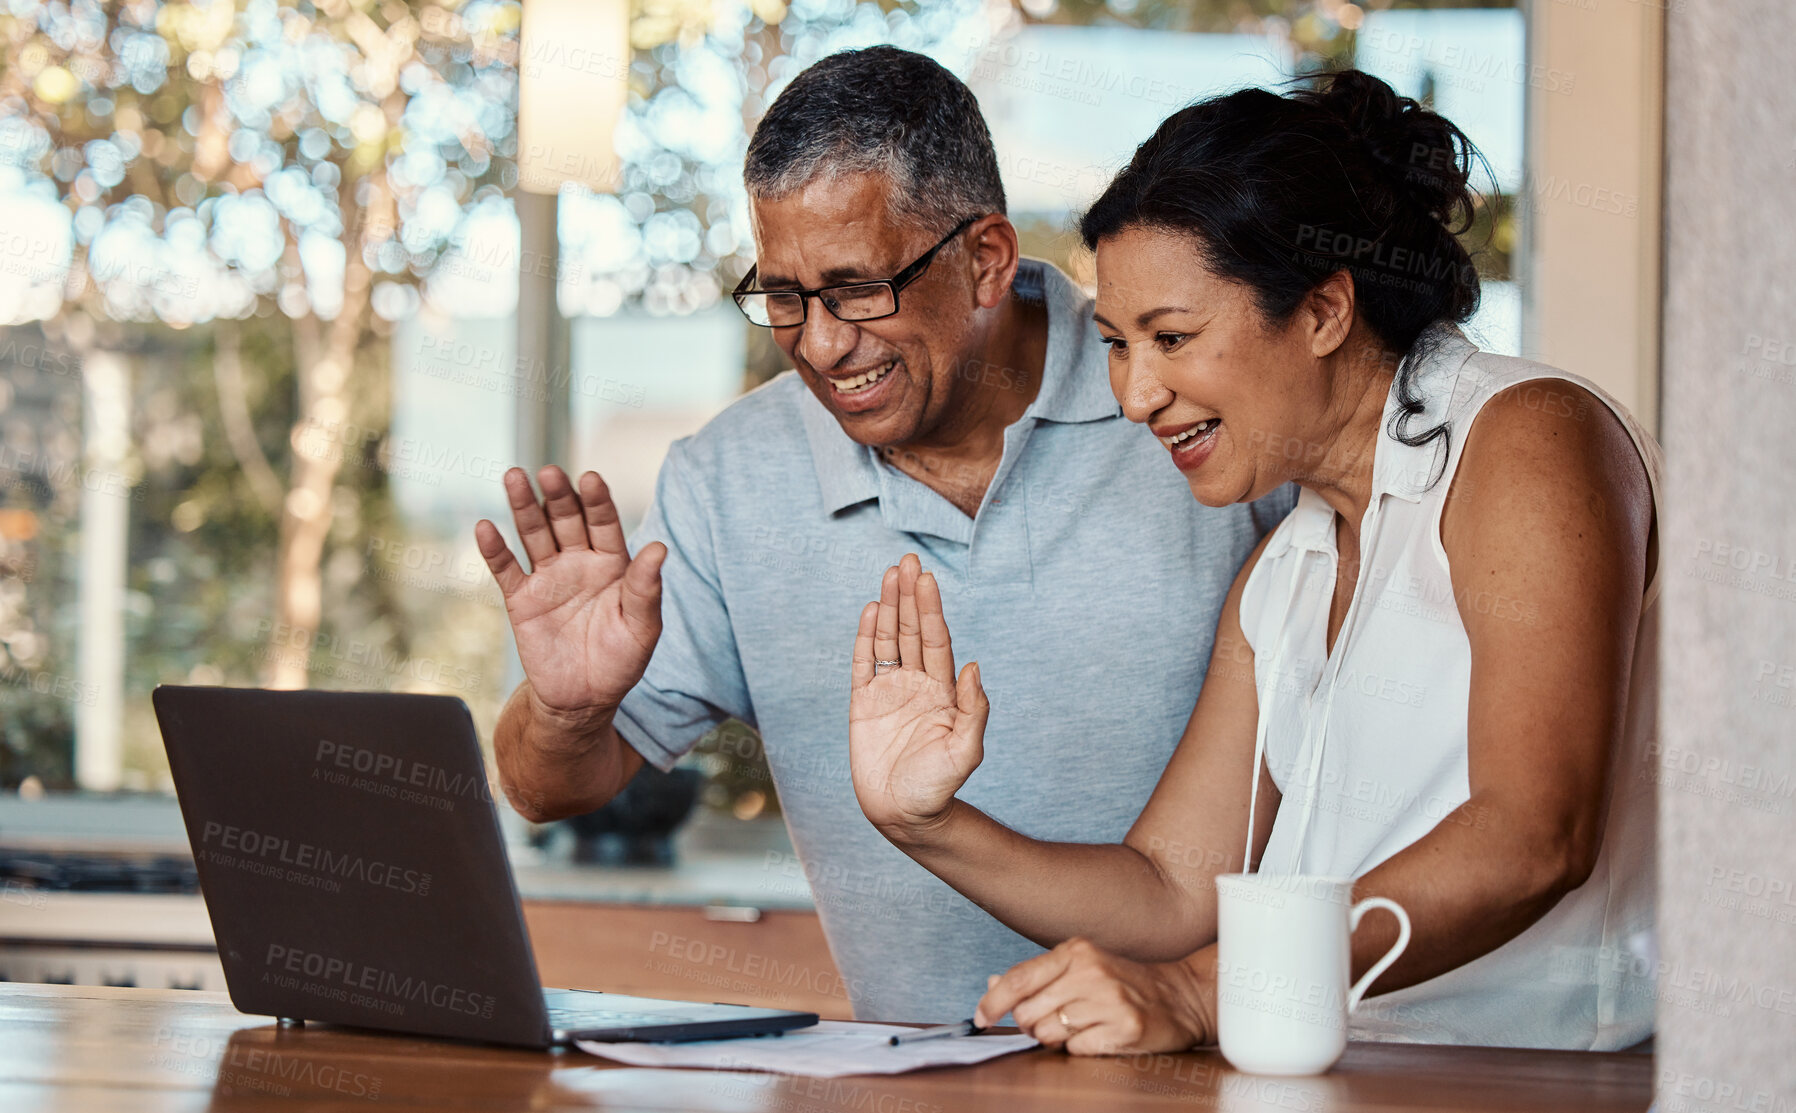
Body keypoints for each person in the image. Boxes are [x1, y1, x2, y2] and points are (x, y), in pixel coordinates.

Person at [473, 46, 1293, 1021]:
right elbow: (544, 790)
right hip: (905, 1079)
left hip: (1222, 1060)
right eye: (784, 295)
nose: (821, 344)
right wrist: (565, 713)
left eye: (858, 288)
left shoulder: (1191, 415)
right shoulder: (728, 478)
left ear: (983, 259)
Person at [846, 70, 1659, 1052]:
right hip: (1339, 1079)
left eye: (1171, 338)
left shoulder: (1527, 435)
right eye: (1114, 343)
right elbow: (1169, 888)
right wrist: (924, 822)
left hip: (1542, 1083)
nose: (1136, 395)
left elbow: (1535, 836)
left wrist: (1196, 995)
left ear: (1321, 311)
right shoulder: (1286, 564)